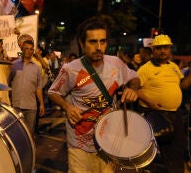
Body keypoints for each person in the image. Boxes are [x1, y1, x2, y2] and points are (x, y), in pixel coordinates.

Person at [47, 16, 139, 173]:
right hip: (79, 144)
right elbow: (52, 92)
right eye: (93, 42)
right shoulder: (70, 69)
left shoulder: (115, 63)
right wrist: (67, 106)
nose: (99, 47)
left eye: (102, 41)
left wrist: (133, 89)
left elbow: (134, 77)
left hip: (108, 141)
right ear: (82, 44)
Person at [137, 34, 190, 173]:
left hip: (175, 114)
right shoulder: (145, 68)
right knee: (151, 154)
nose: (162, 51)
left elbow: (182, 86)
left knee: (176, 150)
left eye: (165, 48)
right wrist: (151, 103)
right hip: (155, 115)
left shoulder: (174, 67)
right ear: (153, 50)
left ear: (170, 49)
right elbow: (136, 90)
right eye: (159, 48)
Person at [9, 37, 45, 135]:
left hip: (31, 107)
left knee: (29, 134)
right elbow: (8, 84)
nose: (29, 51)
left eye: (31, 49)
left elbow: (38, 87)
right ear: (22, 49)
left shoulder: (37, 68)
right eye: (26, 48)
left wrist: (41, 103)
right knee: (16, 133)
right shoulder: (14, 65)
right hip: (16, 105)